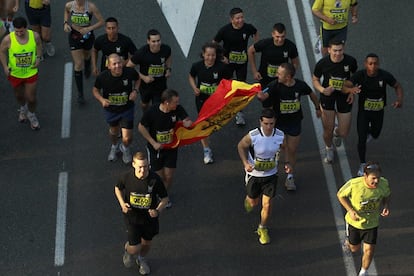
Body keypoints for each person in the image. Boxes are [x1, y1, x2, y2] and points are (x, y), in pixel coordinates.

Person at [257, 63, 321, 191]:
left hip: (294, 122)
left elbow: (311, 94)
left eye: (279, 74)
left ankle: (290, 177)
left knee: (291, 149)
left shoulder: (299, 85)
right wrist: (260, 96)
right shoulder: (274, 85)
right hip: (279, 123)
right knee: (281, 147)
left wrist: (317, 107)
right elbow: (263, 95)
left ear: (288, 77)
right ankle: (272, 171)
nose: (276, 75)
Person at [343, 53, 404, 176]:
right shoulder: (360, 75)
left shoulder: (384, 75)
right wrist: (351, 90)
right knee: (362, 138)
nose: (373, 66)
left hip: (378, 112)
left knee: (376, 133)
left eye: (375, 63)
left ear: (378, 64)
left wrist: (399, 99)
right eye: (370, 63)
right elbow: (345, 86)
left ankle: (369, 133)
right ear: (366, 64)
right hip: (364, 112)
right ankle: (362, 163)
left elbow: (397, 86)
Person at [237, 108, 291, 245]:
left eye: (271, 123)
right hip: (254, 175)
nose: (268, 127)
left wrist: (287, 162)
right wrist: (245, 163)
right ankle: (250, 198)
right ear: (261, 121)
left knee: (267, 204)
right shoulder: (253, 136)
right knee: (253, 202)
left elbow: (286, 148)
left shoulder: (280, 135)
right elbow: (240, 146)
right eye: (266, 123)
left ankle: (262, 228)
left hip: (271, 174)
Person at [115, 151, 169, 275]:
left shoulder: (154, 179)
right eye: (140, 167)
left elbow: (165, 199)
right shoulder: (127, 177)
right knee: (135, 248)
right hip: (132, 218)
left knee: (146, 243)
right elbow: (118, 188)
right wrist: (122, 203)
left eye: (145, 166)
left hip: (149, 219)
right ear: (133, 164)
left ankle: (141, 259)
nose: (143, 170)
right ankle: (129, 250)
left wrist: (157, 210)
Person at [138, 89, 192, 207]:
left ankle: (164, 196)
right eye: (175, 102)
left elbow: (186, 119)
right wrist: (153, 143)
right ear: (166, 102)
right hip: (155, 149)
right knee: (159, 176)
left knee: (169, 176)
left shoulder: (177, 109)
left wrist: (187, 122)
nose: (177, 104)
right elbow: (141, 127)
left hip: (171, 148)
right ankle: (155, 191)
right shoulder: (152, 111)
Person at [337, 162, 391, 276]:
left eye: (378, 178)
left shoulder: (384, 183)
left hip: (372, 223)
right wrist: (351, 211)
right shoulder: (354, 184)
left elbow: (387, 195)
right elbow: (340, 195)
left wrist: (385, 205)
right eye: (373, 178)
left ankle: (363, 271)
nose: (376, 181)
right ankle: (348, 242)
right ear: (365, 176)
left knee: (369, 250)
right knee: (354, 249)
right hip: (355, 223)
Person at [312, 39, 357, 163]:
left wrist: (352, 91)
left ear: (344, 49)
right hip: (328, 96)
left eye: (340, 50)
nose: (338, 53)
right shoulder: (323, 63)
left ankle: (337, 133)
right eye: (335, 51)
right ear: (329, 50)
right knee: (328, 129)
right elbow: (315, 79)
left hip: (344, 95)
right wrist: (322, 90)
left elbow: (355, 78)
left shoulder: (351, 61)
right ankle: (329, 148)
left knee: (344, 132)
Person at [213, 7, 259, 126]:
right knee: (225, 86)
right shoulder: (224, 30)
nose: (240, 20)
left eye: (242, 17)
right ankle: (222, 107)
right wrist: (221, 57)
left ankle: (239, 113)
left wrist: (255, 46)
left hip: (242, 63)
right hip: (227, 63)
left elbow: (255, 32)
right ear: (231, 19)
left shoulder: (248, 28)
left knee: (240, 87)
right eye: (237, 18)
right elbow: (213, 44)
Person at [92, 53, 139, 164]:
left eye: (119, 63)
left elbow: (138, 79)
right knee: (114, 131)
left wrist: (135, 91)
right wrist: (102, 100)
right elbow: (95, 90)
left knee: (127, 137)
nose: (117, 66)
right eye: (114, 64)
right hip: (111, 111)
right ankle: (114, 146)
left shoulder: (129, 72)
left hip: (127, 109)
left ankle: (125, 148)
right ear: (109, 66)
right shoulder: (103, 77)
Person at [189, 42, 230, 164]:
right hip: (202, 99)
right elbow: (191, 76)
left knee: (214, 122)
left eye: (213, 55)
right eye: (208, 55)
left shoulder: (221, 67)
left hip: (217, 100)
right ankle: (206, 149)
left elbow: (229, 81)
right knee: (203, 124)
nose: (210, 58)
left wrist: (223, 92)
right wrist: (194, 88)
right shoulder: (197, 66)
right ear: (203, 55)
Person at [0, 16, 42, 130]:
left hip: (31, 72)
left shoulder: (34, 36)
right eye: (16, 31)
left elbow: (39, 45)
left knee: (31, 98)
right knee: (19, 95)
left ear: (26, 28)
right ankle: (23, 108)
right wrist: (4, 66)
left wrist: (38, 57)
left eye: (21, 31)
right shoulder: (8, 39)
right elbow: (2, 52)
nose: (18, 33)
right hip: (15, 73)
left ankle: (32, 115)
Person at [63, 0, 104, 103]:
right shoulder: (69, 5)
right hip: (74, 35)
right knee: (78, 64)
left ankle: (88, 63)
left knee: (86, 55)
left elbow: (101, 22)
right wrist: (65, 23)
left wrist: (89, 28)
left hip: (88, 36)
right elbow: (66, 12)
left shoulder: (91, 7)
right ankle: (80, 94)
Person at [248, 22, 299, 94]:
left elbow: (295, 63)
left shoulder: (290, 46)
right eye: (277, 37)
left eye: (283, 36)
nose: (280, 39)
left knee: (279, 101)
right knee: (265, 100)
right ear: (272, 34)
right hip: (265, 79)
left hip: (281, 80)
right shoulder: (265, 43)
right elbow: (250, 51)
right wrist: (254, 71)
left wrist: (290, 76)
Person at [127, 29, 171, 111]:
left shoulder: (166, 49)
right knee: (144, 104)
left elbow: (168, 58)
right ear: (148, 41)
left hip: (160, 84)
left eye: (158, 41)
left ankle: (153, 120)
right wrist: (143, 77)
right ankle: (145, 114)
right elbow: (128, 67)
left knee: (157, 107)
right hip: (145, 86)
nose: (157, 44)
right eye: (153, 41)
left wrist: (168, 69)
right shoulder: (141, 53)